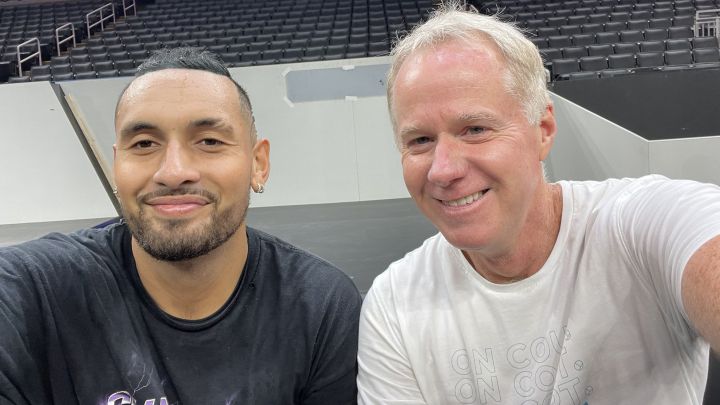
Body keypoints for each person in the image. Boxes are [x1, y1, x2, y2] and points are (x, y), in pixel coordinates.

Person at [357, 3, 720, 404]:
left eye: (475, 129)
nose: (443, 171)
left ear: (543, 130)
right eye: (420, 141)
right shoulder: (393, 306)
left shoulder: (641, 223)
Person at [0, 47, 362, 405]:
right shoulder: (28, 292)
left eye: (209, 141)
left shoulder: (320, 307)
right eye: (144, 144)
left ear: (258, 164)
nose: (172, 171)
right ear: (116, 165)